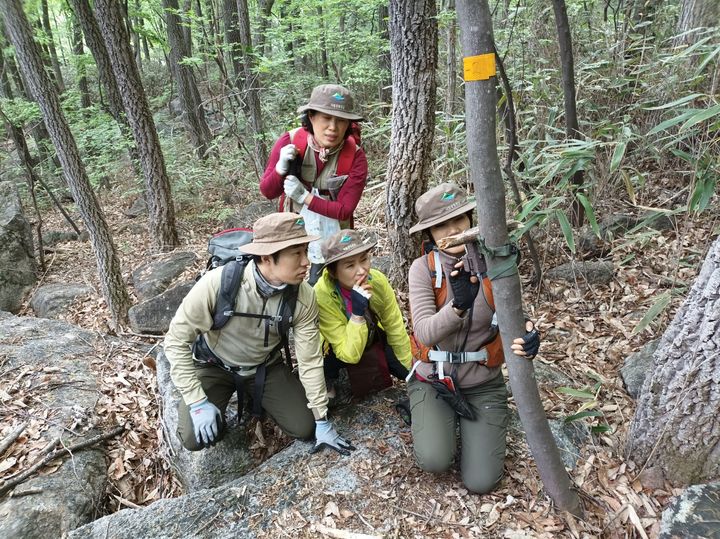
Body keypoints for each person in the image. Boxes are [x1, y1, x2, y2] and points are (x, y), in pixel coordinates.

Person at [163, 212, 354, 456]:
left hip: (265, 367)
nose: (306, 261)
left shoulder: (303, 296)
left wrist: (322, 419)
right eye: (296, 253)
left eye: (305, 251)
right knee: (193, 438)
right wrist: (197, 402)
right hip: (215, 365)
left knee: (304, 427)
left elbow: (309, 360)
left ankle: (263, 398)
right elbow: (176, 340)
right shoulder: (219, 284)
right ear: (266, 257)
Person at [406, 182, 540, 494]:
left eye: (460, 219)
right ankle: (431, 413)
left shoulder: (495, 264)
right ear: (430, 235)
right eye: (441, 225)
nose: (453, 229)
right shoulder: (423, 269)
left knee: (481, 482)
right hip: (434, 380)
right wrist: (458, 306)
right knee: (434, 460)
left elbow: (516, 320)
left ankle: (467, 423)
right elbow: (424, 331)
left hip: (483, 382)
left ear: (471, 220)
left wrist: (530, 337)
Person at [260, 83, 368, 285]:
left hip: (333, 236)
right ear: (311, 116)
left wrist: (304, 197)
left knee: (327, 286)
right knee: (288, 283)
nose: (333, 128)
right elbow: (268, 191)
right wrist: (280, 169)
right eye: (326, 118)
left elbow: (344, 210)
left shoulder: (355, 156)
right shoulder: (290, 141)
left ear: (349, 124)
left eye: (341, 120)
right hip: (291, 232)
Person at [314, 229, 411, 401]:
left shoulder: (377, 280)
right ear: (333, 272)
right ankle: (328, 380)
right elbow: (349, 355)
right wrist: (357, 313)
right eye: (350, 265)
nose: (362, 271)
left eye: (364, 259)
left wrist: (410, 369)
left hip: (372, 335)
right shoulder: (322, 294)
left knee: (409, 374)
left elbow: (394, 325)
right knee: (328, 363)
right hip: (336, 349)